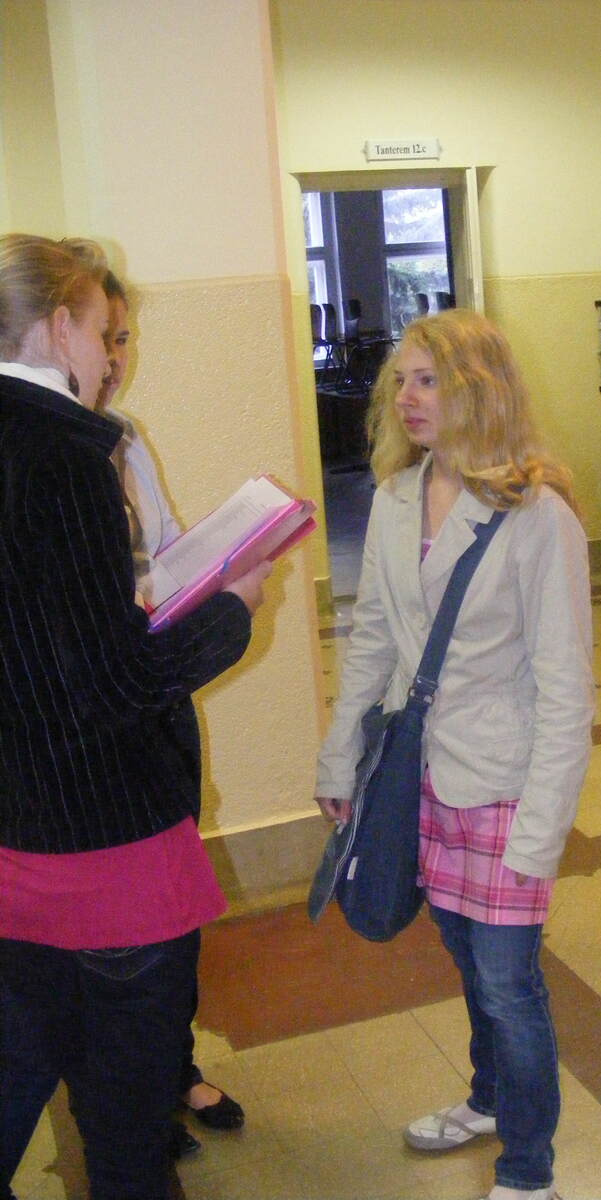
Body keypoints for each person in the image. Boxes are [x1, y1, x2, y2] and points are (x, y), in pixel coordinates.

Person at [0, 234, 271, 1200]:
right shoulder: (70, 452)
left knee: (26, 1059)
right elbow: (110, 685)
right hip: (104, 841)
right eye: (101, 330)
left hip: (18, 826)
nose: (110, 353)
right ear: (56, 326)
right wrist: (234, 606)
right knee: (125, 1122)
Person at [315, 310, 594, 1200]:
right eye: (400, 380)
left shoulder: (538, 517)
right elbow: (373, 641)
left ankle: (528, 1169)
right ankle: (487, 1098)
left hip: (506, 782)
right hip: (423, 779)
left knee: (510, 982)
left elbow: (566, 691)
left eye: (428, 380)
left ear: (479, 390)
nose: (407, 397)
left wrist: (541, 834)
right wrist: (338, 761)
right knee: (469, 963)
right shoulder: (396, 497)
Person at [94, 261, 246, 1153]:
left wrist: (220, 565)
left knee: (176, 900)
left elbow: (165, 546)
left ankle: (174, 1065)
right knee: (113, 930)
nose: (116, 357)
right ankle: (128, 1098)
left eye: (124, 337)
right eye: (102, 336)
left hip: (158, 704)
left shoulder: (125, 438)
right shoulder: (41, 454)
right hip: (96, 722)